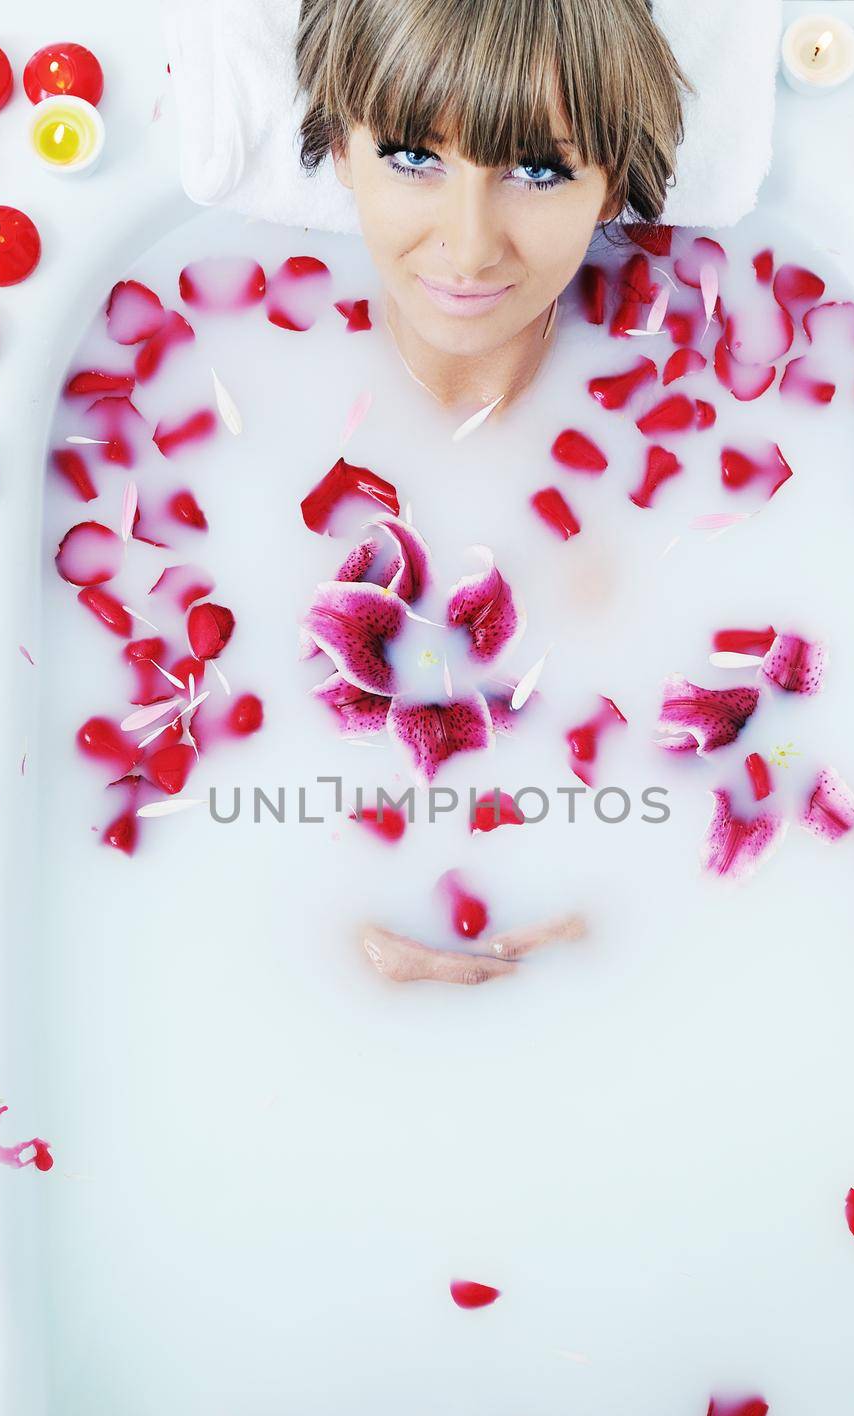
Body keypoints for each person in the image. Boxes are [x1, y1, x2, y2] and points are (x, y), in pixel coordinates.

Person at [294, 0, 691, 991]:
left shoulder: (692, 434)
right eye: (413, 157)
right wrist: (320, 923)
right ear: (340, 148)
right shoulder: (248, 392)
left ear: (612, 185)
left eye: (540, 169)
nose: (468, 248)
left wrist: (606, 906)